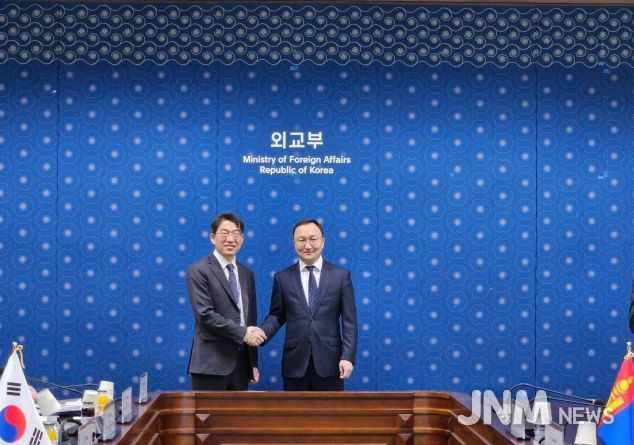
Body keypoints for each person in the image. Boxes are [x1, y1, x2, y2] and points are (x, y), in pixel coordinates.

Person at [260, 219, 358, 391]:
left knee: (330, 409)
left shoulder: (341, 276)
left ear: (323, 241)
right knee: (295, 410)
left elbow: (350, 322)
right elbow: (277, 315)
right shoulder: (282, 278)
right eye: (302, 240)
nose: (307, 245)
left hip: (331, 363)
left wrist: (347, 357)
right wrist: (261, 333)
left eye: (313, 239)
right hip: (294, 364)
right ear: (294, 243)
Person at [187, 212, 267, 390]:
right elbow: (205, 315)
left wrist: (253, 363)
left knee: (237, 410)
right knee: (207, 410)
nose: (231, 239)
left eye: (236, 234)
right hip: (210, 364)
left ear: (242, 239)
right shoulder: (199, 270)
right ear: (212, 237)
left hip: (241, 364)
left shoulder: (247, 273)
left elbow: (250, 319)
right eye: (224, 233)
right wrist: (243, 333)